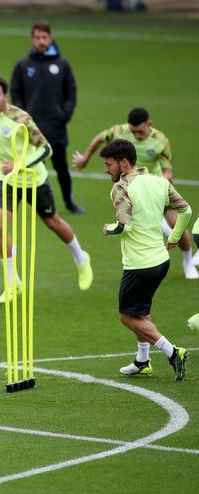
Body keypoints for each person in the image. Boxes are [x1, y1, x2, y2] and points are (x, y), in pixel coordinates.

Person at [0, 76, 93, 303]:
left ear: (5, 96)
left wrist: (19, 165)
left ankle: (81, 259)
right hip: (7, 180)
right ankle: (13, 283)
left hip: (33, 180)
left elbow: (46, 150)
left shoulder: (20, 119)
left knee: (53, 223)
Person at [99, 139, 190, 380]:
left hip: (140, 264)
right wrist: (175, 237)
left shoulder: (121, 187)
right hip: (161, 260)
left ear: (124, 162)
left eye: (108, 164)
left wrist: (108, 228)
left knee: (127, 316)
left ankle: (173, 352)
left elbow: (123, 225)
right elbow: (186, 210)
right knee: (141, 310)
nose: (106, 170)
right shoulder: (160, 182)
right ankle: (142, 360)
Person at [73, 107, 198, 279]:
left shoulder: (160, 140)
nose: (137, 135)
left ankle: (187, 262)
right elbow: (100, 138)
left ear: (149, 124)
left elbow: (167, 170)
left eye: (140, 131)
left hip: (154, 186)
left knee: (175, 223)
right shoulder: (121, 131)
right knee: (137, 224)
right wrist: (85, 158)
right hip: (132, 189)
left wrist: (158, 187)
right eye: (133, 132)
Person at [10, 21, 83, 214]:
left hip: (56, 127)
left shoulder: (62, 65)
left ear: (50, 38)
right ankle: (39, 205)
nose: (41, 41)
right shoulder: (23, 65)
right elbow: (15, 93)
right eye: (37, 38)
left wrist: (64, 115)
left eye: (44, 37)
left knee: (61, 168)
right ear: (32, 39)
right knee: (33, 169)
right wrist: (24, 117)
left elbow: (71, 92)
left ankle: (69, 202)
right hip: (33, 131)